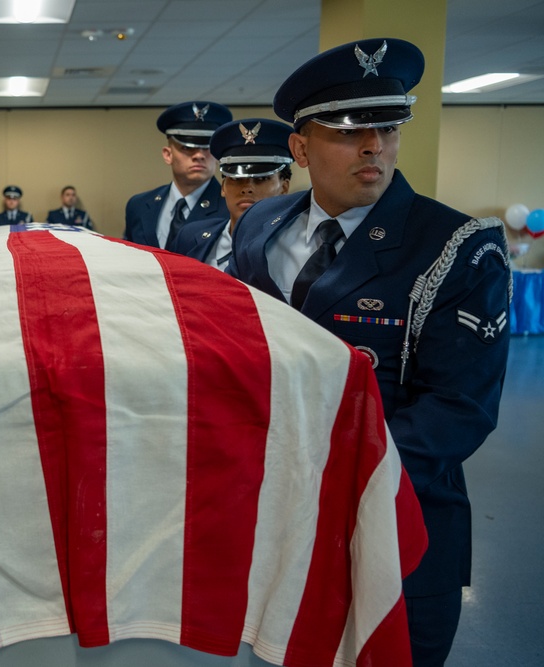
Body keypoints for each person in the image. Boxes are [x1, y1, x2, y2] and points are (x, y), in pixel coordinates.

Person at [228, 38, 511, 667]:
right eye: (346, 131)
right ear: (299, 147)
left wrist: (329, 481)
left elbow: (457, 409)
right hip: (268, 522)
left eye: (387, 127)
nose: (373, 146)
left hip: (396, 524)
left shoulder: (457, 246)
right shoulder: (259, 226)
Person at [173, 119, 293, 270]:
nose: (247, 188)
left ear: (284, 187)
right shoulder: (190, 238)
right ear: (223, 187)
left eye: (261, 179)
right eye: (236, 178)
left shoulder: (296, 246)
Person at [123, 100, 231, 250]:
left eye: (207, 148)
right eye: (187, 147)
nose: (199, 155)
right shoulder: (139, 205)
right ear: (168, 155)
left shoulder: (231, 209)